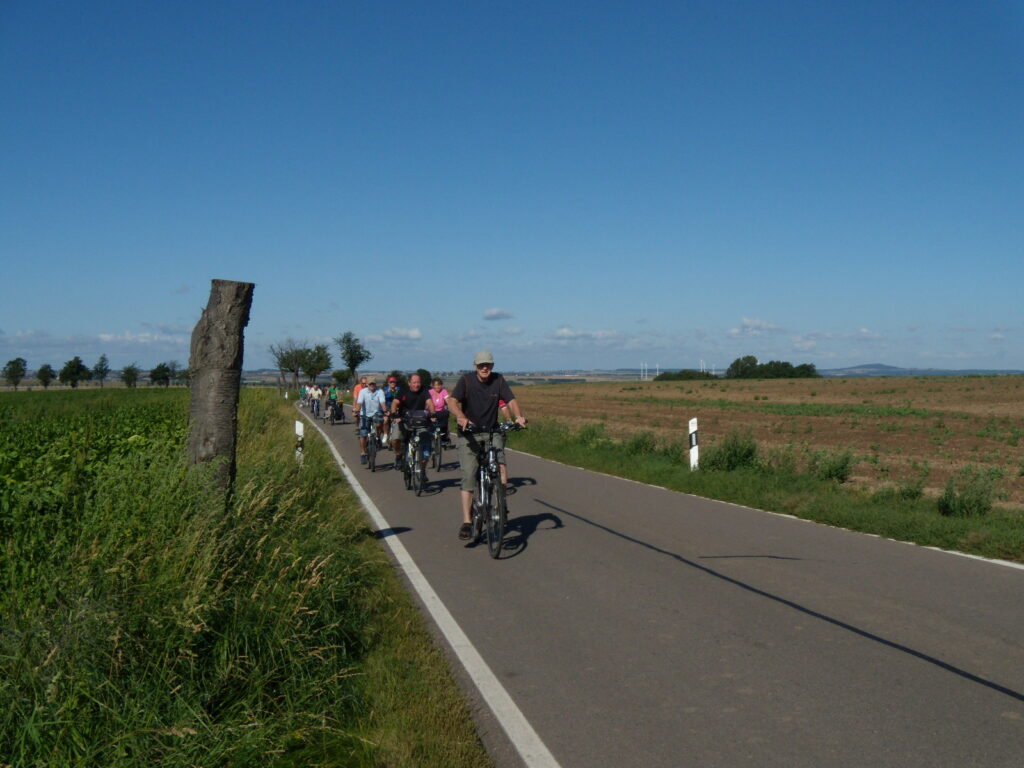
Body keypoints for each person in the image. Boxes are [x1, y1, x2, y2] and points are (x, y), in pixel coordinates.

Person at [446, 351, 526, 540]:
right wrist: (460, 416)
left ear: (492, 365)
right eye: (481, 365)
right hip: (469, 434)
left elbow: (511, 400)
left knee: (500, 466)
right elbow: (451, 401)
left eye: (488, 365)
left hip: (492, 431)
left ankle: (500, 500)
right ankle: (467, 521)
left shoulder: (498, 380)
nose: (485, 368)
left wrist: (518, 417)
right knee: (468, 475)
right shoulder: (466, 381)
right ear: (475, 366)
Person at [390, 373, 435, 473]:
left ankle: (422, 470)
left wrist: (433, 414)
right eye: (414, 382)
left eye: (418, 382)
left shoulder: (424, 390)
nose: (416, 385)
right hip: (404, 420)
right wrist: (394, 414)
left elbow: (429, 402)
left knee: (426, 447)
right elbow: (395, 402)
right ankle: (398, 455)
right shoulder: (403, 390)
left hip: (421, 421)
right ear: (409, 383)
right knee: (395, 439)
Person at [353, 378, 387, 464]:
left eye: (373, 384)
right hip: (365, 414)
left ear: (376, 384)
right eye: (370, 384)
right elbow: (359, 403)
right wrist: (356, 411)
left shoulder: (380, 391)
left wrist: (386, 411)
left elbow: (382, 403)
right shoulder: (363, 392)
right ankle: (363, 453)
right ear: (367, 384)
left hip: (376, 413)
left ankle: (378, 437)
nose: (372, 385)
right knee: (363, 434)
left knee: (379, 424)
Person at [429, 377, 451, 446]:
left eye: (439, 385)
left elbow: (448, 401)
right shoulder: (430, 392)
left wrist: (451, 407)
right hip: (431, 412)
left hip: (441, 413)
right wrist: (432, 415)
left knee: (445, 421)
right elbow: (427, 403)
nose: (437, 386)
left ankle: (444, 439)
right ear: (433, 386)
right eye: (435, 385)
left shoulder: (444, 391)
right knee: (430, 429)